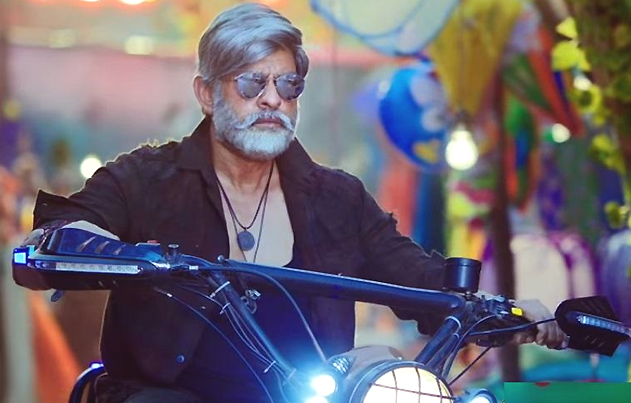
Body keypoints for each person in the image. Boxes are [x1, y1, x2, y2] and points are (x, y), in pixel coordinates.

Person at [14, 3, 565, 403]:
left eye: (289, 85)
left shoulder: (338, 197)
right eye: (252, 84)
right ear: (206, 94)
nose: (273, 99)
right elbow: (56, 236)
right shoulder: (145, 178)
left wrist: (511, 312)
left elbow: (418, 277)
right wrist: (108, 250)